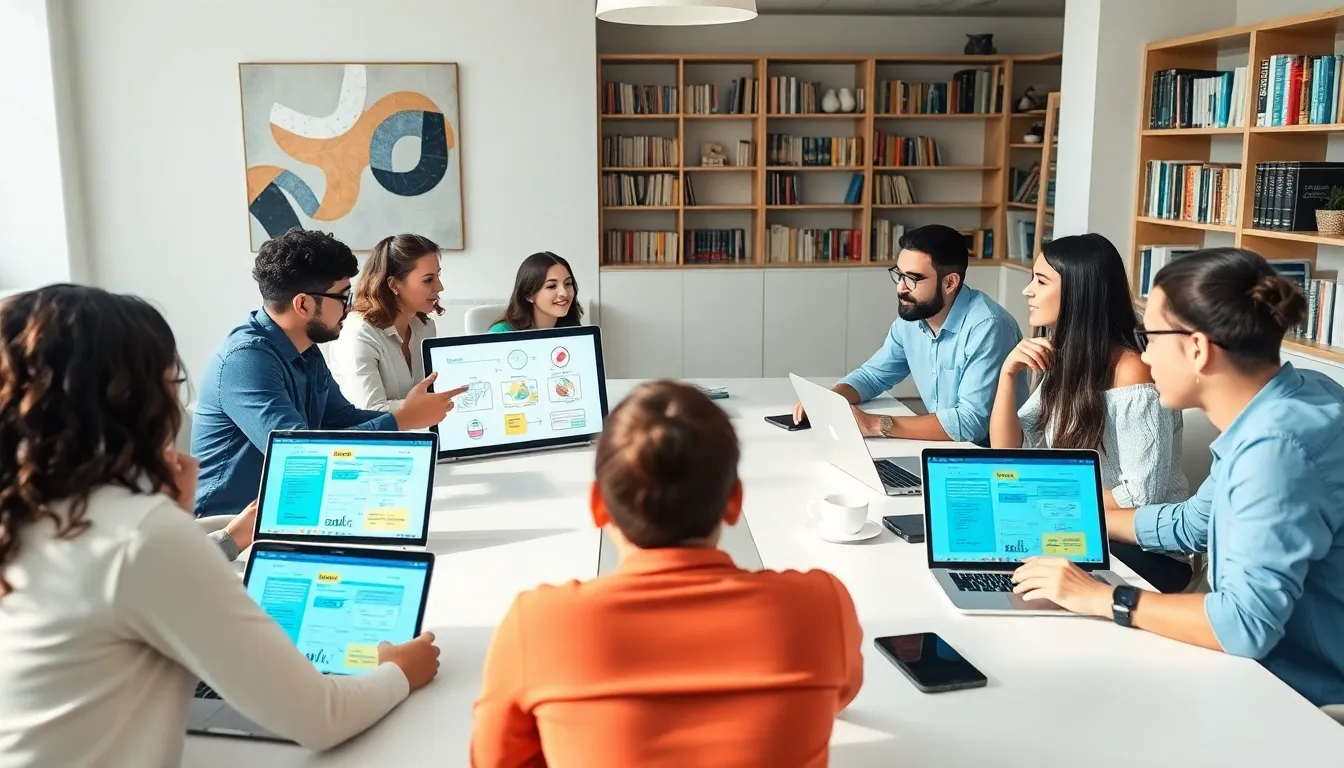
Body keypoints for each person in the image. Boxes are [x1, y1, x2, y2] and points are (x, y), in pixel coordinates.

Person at [0, 285, 440, 767]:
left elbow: (114, 589)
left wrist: (226, 539)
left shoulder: (27, 511)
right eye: (169, 381)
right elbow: (321, 717)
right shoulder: (140, 536)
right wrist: (400, 671)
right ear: (136, 398)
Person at [1010, 248, 1344, 708]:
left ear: (1198, 349)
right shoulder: (1295, 398)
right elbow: (1192, 522)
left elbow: (1242, 625)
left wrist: (1100, 597)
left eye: (1149, 337)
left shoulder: (1274, 451)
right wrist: (1073, 520)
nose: (1144, 354)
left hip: (1303, 700)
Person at [470, 381, 863, 767]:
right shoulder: (820, 605)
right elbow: (839, 696)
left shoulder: (537, 623)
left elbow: (495, 760)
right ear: (734, 502)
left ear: (597, 505)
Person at [191, 228, 466, 518]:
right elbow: (297, 452)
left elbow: (342, 418)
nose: (350, 308)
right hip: (230, 524)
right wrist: (401, 419)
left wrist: (410, 415)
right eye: (343, 297)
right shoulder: (245, 360)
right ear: (303, 304)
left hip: (293, 508)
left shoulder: (305, 348)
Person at [989, 233, 1191, 593]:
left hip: (1145, 551)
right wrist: (1008, 373)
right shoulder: (1067, 358)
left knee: (1016, 565)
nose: (1027, 291)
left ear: (1079, 292)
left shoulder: (1132, 371)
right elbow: (1008, 451)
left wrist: (1051, 503)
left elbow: (1142, 496)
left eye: (1041, 281)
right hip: (1081, 525)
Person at [794, 224, 1023, 443]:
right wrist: (829, 402)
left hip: (992, 458)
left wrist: (875, 424)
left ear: (950, 283)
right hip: (947, 448)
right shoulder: (914, 318)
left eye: (912, 279)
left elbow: (969, 423)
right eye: (899, 274)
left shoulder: (988, 327)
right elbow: (872, 376)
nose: (900, 287)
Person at [329, 234, 445, 411]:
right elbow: (369, 411)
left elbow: (430, 391)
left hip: (420, 428)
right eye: (428, 280)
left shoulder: (425, 327)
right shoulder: (358, 334)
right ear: (393, 285)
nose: (440, 287)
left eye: (438, 276)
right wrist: (431, 403)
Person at [487, 251, 584, 332]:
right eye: (551, 286)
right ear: (529, 295)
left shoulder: (575, 330)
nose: (564, 293)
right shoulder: (501, 333)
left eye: (568, 283)